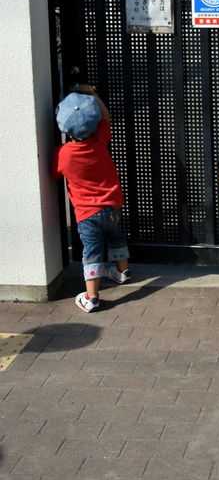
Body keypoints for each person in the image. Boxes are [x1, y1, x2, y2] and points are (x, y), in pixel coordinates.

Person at [51, 85, 130, 313]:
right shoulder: (101, 137)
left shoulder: (63, 153)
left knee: (92, 252)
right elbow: (105, 116)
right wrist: (94, 95)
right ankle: (122, 271)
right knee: (116, 236)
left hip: (87, 214)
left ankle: (92, 296)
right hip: (113, 205)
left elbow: (53, 175)